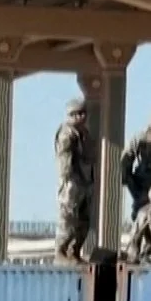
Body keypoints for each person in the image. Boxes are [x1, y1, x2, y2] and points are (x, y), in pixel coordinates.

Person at [55, 99, 97, 264]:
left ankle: (75, 251)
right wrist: (69, 182)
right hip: (72, 183)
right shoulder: (67, 133)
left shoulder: (85, 134)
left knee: (84, 221)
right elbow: (66, 162)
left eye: (83, 113)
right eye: (77, 114)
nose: (82, 117)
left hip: (86, 182)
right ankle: (61, 251)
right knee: (69, 219)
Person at [120, 107, 151, 217]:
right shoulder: (140, 137)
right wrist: (128, 178)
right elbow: (127, 158)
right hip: (142, 184)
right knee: (141, 215)